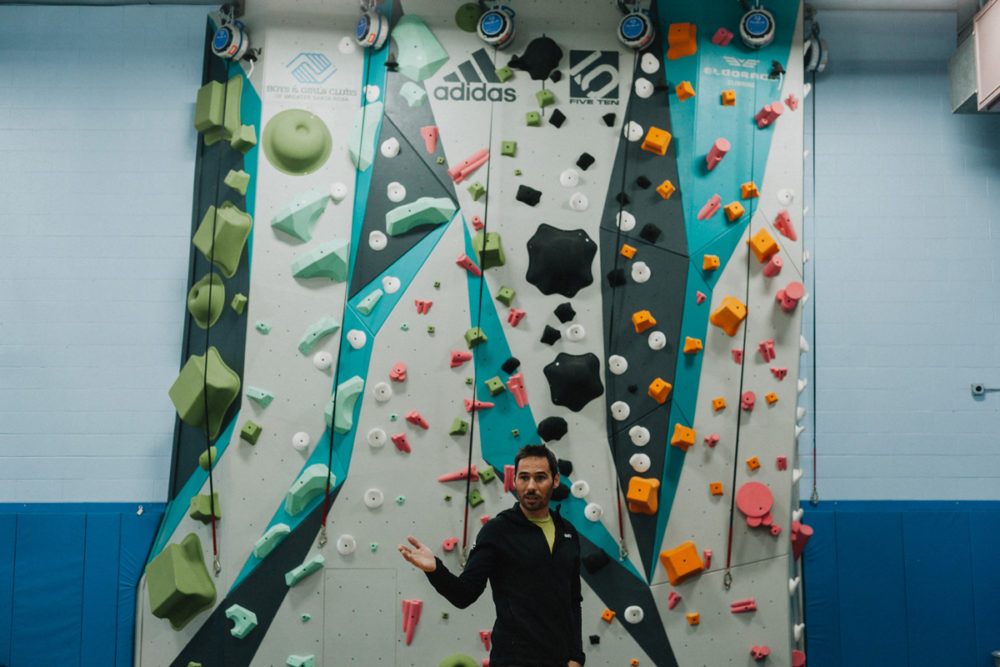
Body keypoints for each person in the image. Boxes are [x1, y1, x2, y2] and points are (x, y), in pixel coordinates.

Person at [398, 444, 585, 667]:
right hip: (513, 660)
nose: (531, 486)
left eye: (540, 477)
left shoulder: (568, 533)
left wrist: (576, 657)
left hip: (560, 660)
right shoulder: (498, 530)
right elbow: (464, 595)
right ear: (514, 481)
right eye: (524, 478)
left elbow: (573, 601)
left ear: (555, 481)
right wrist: (434, 569)